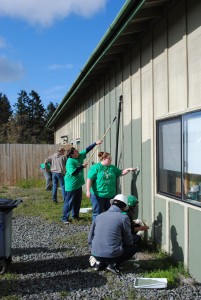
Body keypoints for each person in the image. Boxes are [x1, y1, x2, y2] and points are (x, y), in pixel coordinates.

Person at [88, 194, 137, 274]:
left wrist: (93, 249)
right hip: (112, 254)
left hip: (95, 253)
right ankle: (113, 264)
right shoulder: (123, 218)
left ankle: (99, 262)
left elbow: (90, 238)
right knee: (133, 247)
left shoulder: (99, 216)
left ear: (111, 204)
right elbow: (128, 240)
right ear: (124, 207)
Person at [86, 151, 137, 220]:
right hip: (98, 195)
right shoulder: (96, 167)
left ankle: (107, 226)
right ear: (103, 159)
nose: (111, 160)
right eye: (109, 159)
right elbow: (89, 179)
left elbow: (120, 172)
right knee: (97, 213)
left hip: (110, 195)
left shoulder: (112, 168)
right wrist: (88, 191)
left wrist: (128, 169)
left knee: (110, 213)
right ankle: (96, 228)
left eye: (111, 159)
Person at [61, 140, 102, 224]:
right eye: (76, 151)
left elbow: (87, 150)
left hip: (78, 184)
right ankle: (64, 218)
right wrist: (81, 167)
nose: (78, 152)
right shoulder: (70, 161)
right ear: (72, 154)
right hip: (71, 185)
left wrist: (95, 143)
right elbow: (73, 172)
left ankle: (75, 216)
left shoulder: (79, 156)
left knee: (77, 201)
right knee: (69, 202)